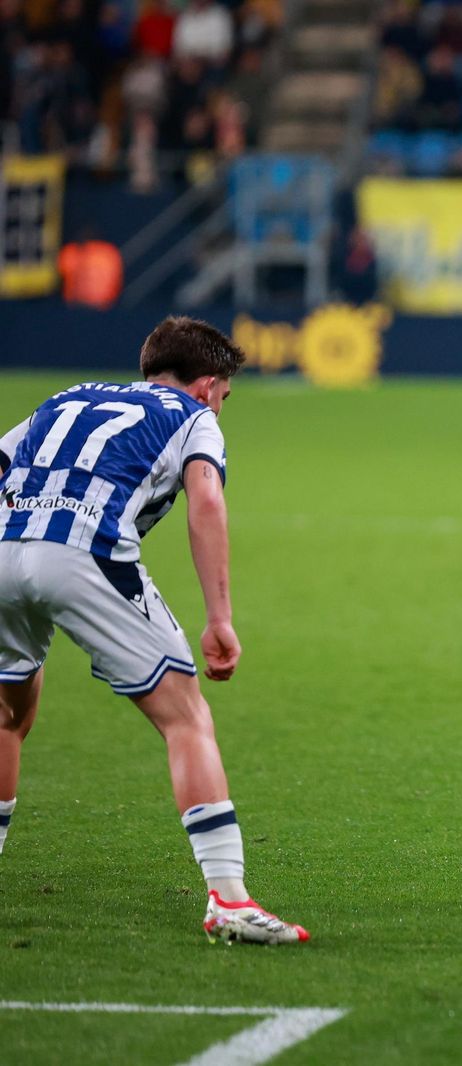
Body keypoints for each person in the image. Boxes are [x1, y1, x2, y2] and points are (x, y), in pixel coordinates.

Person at [0, 316, 307, 945]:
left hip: (4, 549)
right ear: (207, 387)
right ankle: (228, 897)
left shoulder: (65, 399)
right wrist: (218, 617)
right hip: (85, 553)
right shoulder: (193, 419)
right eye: (224, 397)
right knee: (185, 717)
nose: (222, 410)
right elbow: (206, 500)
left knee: (7, 714)